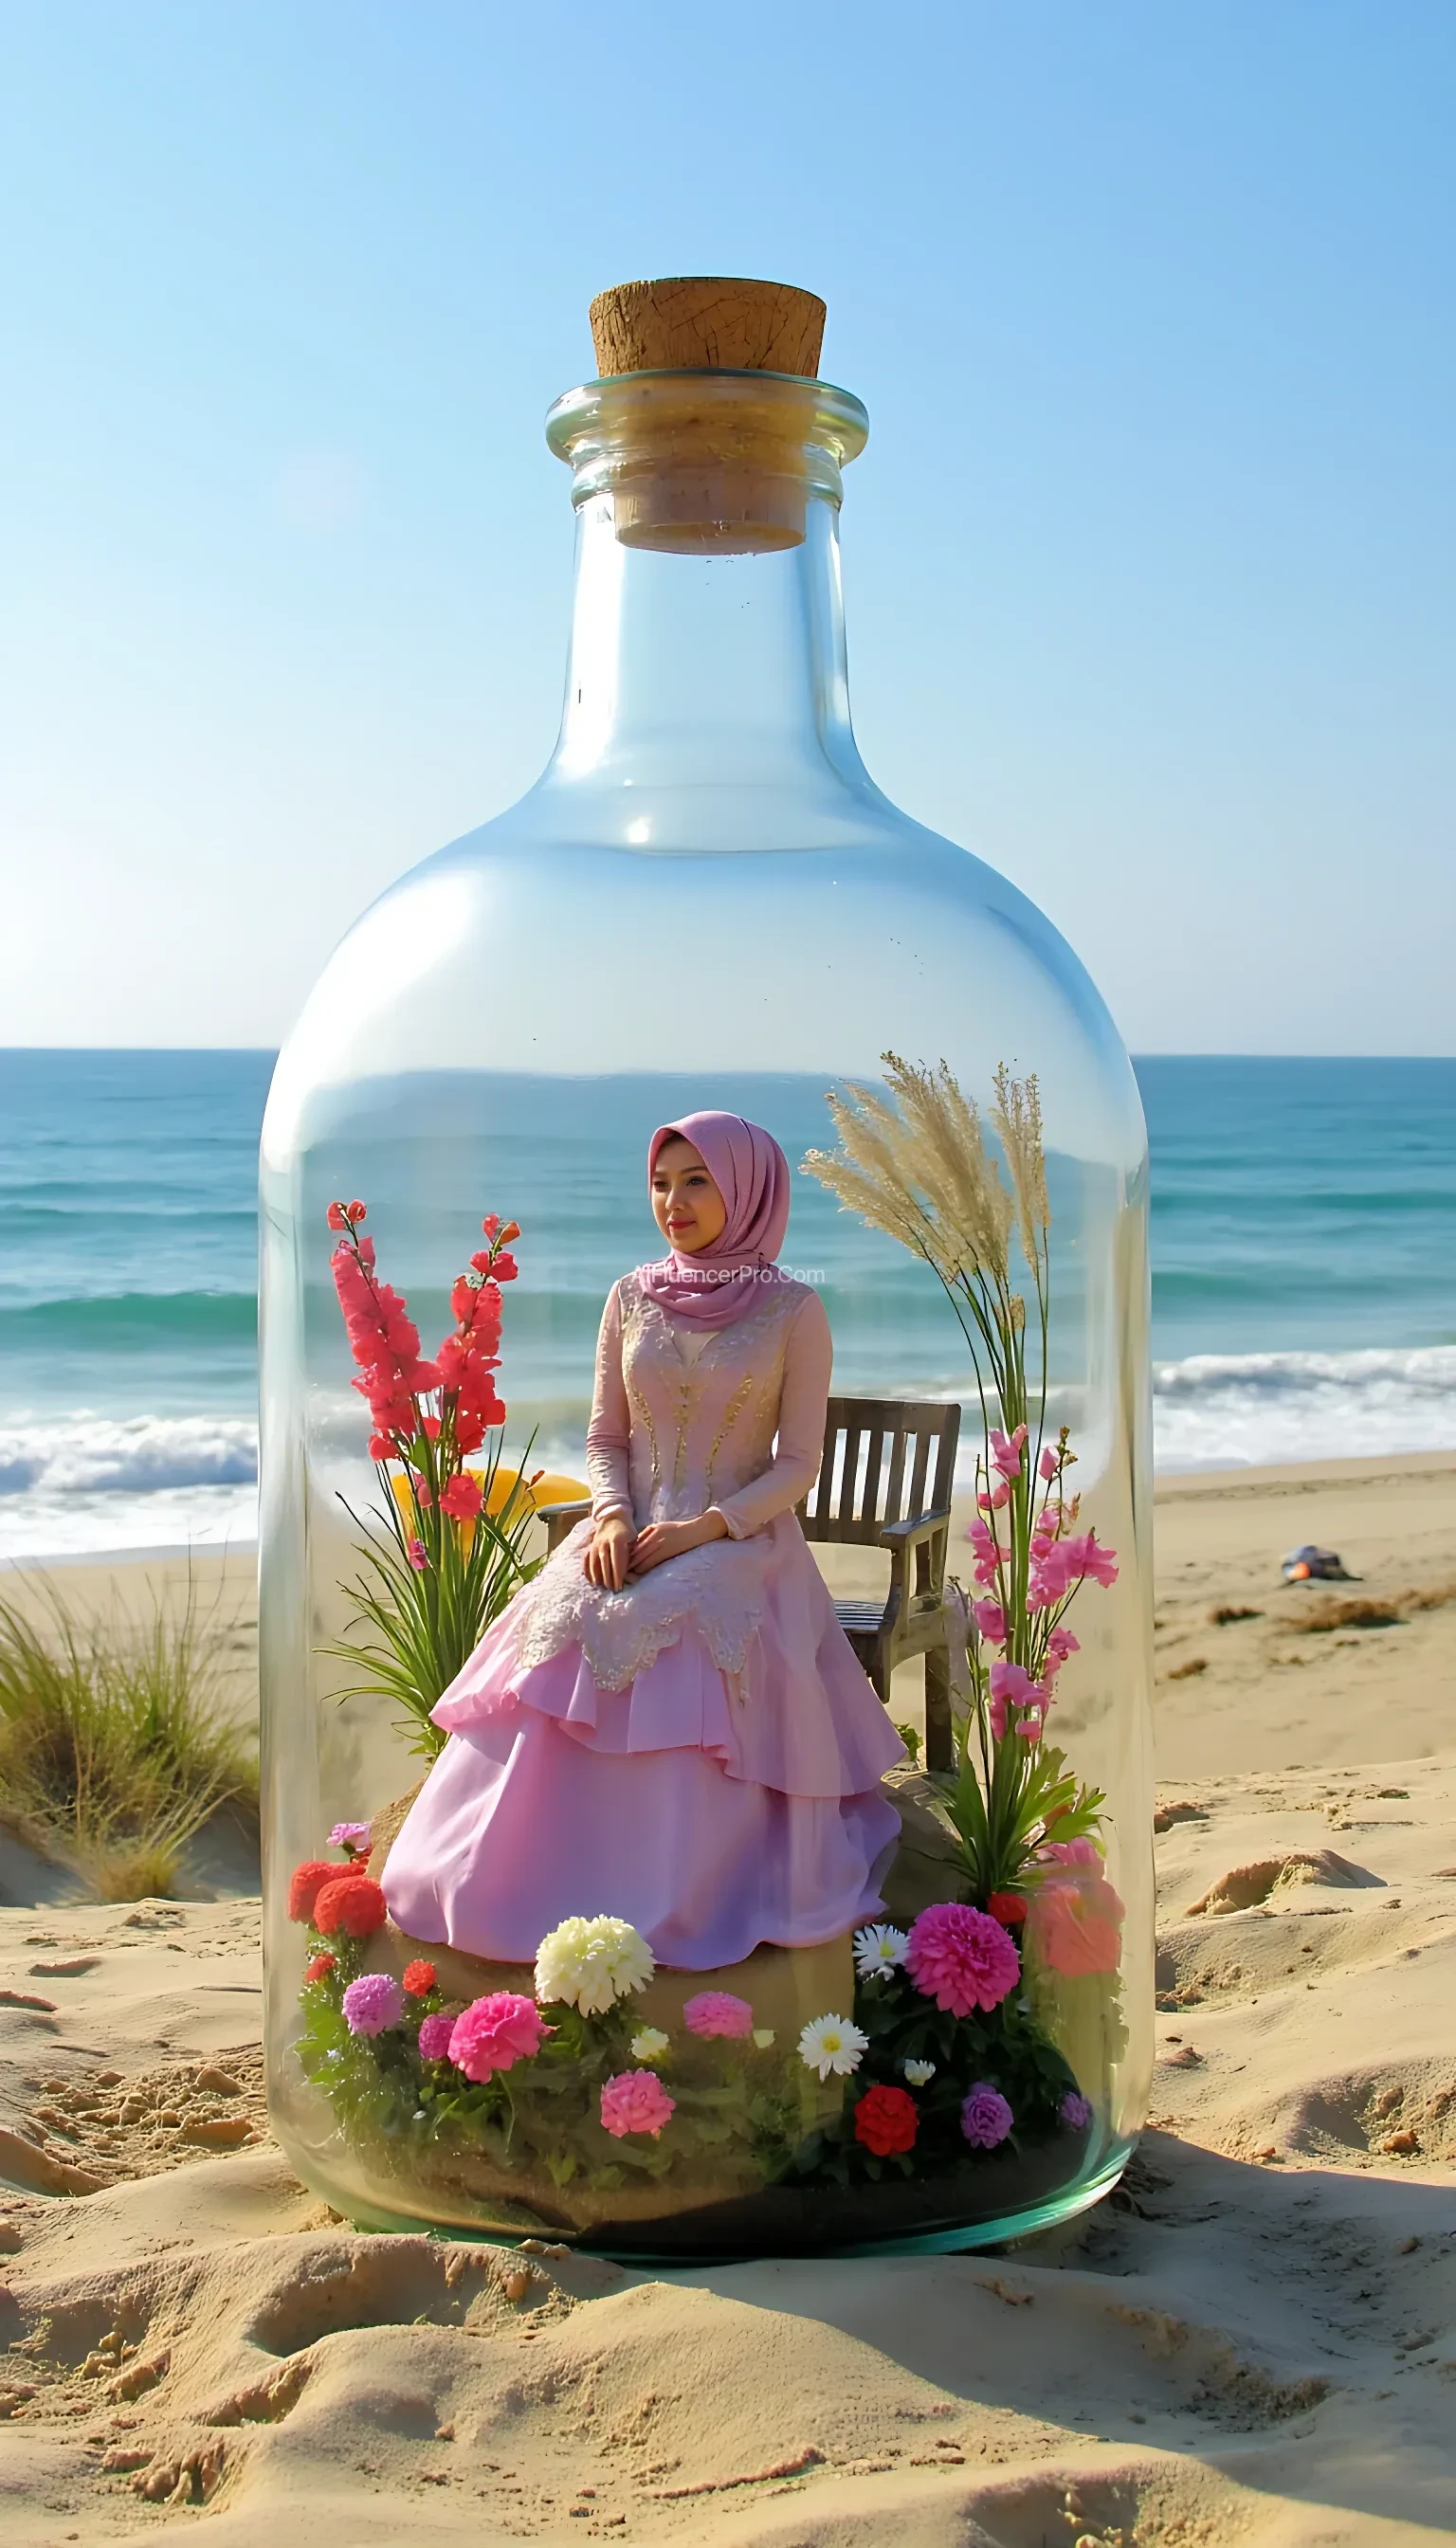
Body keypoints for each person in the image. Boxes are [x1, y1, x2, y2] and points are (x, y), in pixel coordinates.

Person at [381, 1110, 903, 1969]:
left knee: (675, 1613)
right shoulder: (630, 1295)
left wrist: (706, 1528)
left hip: (740, 1542)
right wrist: (613, 1515)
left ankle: (673, 1888)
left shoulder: (793, 1309)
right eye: (662, 1183)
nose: (674, 1201)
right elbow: (604, 1438)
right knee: (568, 1608)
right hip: (630, 1521)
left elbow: (798, 1464)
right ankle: (514, 1876)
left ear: (747, 1190)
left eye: (697, 1181)